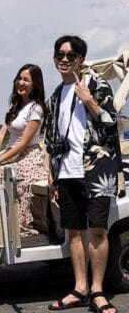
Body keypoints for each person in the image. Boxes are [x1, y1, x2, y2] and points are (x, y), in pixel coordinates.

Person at [45, 35, 120, 313]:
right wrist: (53, 174)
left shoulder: (98, 85)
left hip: (96, 169)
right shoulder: (56, 95)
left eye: (71, 55)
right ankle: (80, 288)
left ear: (81, 59)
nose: (65, 60)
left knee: (98, 231)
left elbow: (111, 123)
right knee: (74, 233)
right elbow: (51, 139)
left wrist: (89, 102)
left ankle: (98, 291)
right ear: (54, 59)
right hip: (66, 171)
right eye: (60, 55)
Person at [0, 64, 51, 237]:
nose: (21, 82)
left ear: (35, 84)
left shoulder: (36, 109)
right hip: (12, 152)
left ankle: (18, 223)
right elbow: (2, 134)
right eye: (19, 79)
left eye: (26, 80)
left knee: (7, 174)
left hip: (27, 155)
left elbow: (24, 143)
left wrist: (0, 160)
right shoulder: (16, 107)